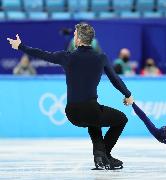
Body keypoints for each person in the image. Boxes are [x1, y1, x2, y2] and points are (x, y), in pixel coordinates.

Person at [7, 23, 134, 170]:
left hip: (72, 113)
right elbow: (115, 79)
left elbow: (43, 54)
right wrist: (127, 95)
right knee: (121, 119)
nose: (73, 37)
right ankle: (105, 155)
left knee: (94, 120)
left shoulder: (67, 57)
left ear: (79, 39)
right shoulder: (101, 58)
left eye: (74, 35)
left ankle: (101, 157)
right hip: (91, 110)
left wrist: (20, 46)